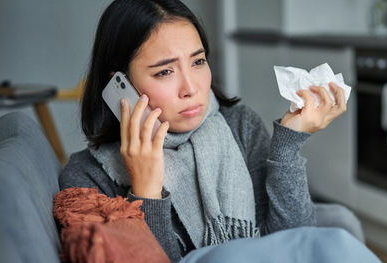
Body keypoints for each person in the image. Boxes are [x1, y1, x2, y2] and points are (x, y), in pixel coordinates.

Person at [59, 0, 362, 262]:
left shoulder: (239, 125)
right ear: (119, 85)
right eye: (165, 71)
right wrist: (146, 192)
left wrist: (286, 146)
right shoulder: (87, 177)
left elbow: (297, 246)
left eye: (198, 61)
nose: (191, 88)